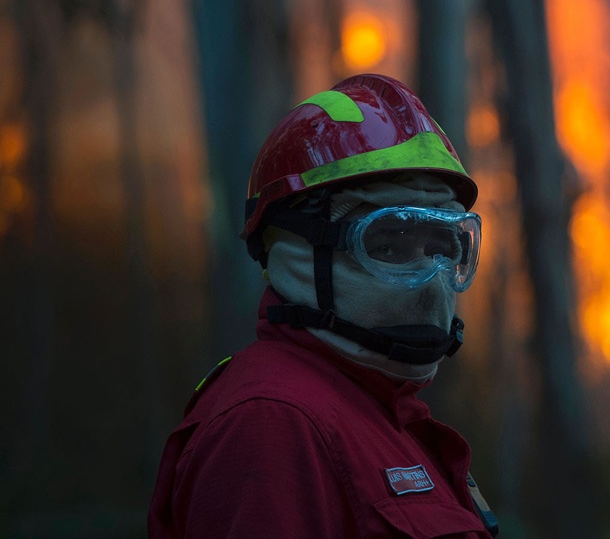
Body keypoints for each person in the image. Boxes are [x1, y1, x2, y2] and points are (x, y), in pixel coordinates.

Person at [149, 74, 499, 538]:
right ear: (295, 250)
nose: (428, 278)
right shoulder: (271, 426)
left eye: (442, 247)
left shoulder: (389, 416)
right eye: (390, 246)